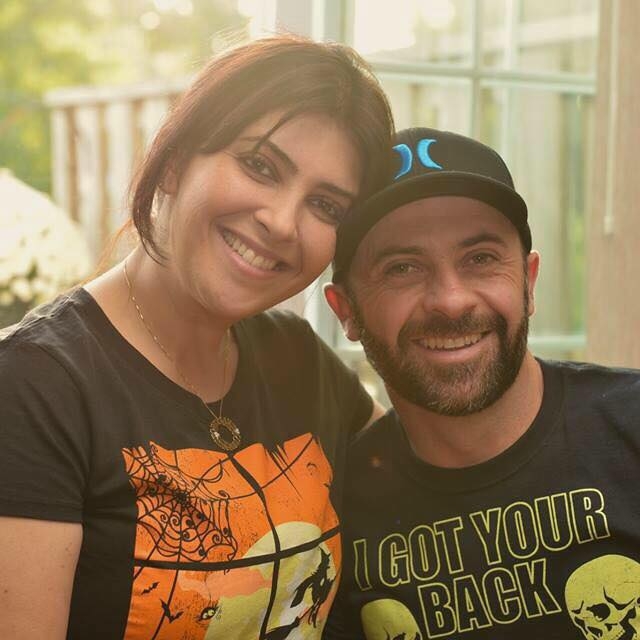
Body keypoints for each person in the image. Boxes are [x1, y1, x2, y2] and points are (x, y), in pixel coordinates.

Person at [0, 34, 394, 639]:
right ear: (176, 158)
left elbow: (432, 477)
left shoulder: (298, 358)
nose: (281, 222)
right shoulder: (33, 386)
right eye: (260, 166)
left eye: (325, 206)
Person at [323, 126, 640, 640]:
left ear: (528, 282)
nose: (451, 301)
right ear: (346, 311)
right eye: (402, 267)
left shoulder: (630, 429)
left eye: (481, 259)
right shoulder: (333, 511)